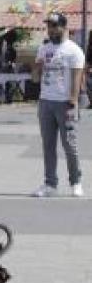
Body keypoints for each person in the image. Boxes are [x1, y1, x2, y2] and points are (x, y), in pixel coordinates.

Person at [31, 12, 85, 197]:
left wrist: (73, 101)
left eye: (54, 26)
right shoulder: (44, 49)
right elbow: (35, 78)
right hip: (46, 101)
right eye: (49, 26)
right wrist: (36, 68)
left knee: (70, 145)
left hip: (65, 103)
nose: (51, 29)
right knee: (48, 145)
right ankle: (50, 184)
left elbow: (77, 78)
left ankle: (75, 181)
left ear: (63, 27)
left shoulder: (73, 50)